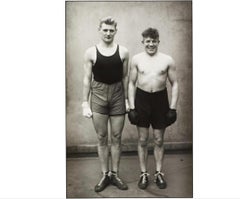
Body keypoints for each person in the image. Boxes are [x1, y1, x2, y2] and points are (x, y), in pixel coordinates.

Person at [82, 16, 129, 192]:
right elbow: (87, 79)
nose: (108, 33)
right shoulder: (91, 52)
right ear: (99, 30)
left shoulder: (123, 51)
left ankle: (114, 174)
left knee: (116, 137)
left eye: (111, 30)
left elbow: (125, 77)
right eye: (105, 30)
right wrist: (84, 103)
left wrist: (126, 99)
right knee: (102, 137)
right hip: (99, 95)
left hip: (118, 95)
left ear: (115, 31)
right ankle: (104, 174)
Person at [128, 27, 179, 189]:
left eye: (154, 41)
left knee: (158, 139)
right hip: (142, 99)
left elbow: (175, 83)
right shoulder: (136, 59)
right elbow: (131, 83)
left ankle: (158, 173)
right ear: (143, 42)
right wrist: (131, 107)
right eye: (147, 41)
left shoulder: (167, 60)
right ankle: (143, 173)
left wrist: (173, 108)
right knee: (142, 140)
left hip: (160, 100)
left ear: (158, 42)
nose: (151, 44)